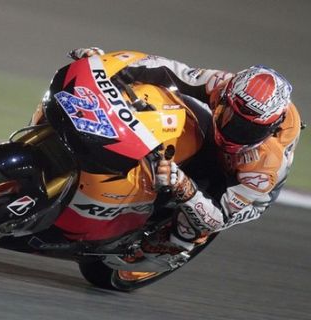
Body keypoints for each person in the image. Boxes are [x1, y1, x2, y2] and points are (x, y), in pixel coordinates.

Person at [67, 48, 303, 258]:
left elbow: (219, 216)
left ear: (269, 127)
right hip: (213, 137)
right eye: (229, 116)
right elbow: (165, 68)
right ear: (225, 98)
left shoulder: (265, 166)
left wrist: (183, 186)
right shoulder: (222, 84)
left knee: (195, 226)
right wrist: (104, 66)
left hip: (242, 187)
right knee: (157, 99)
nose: (235, 131)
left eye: (248, 130)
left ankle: (175, 245)